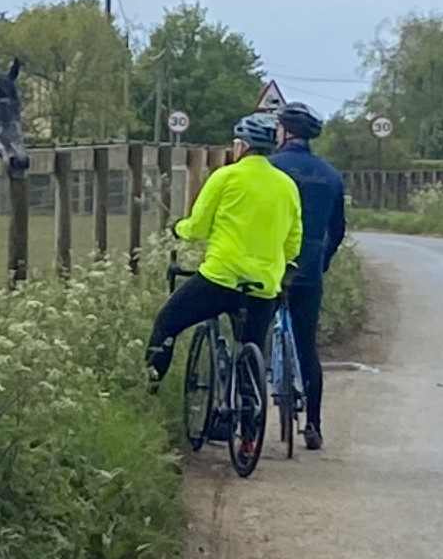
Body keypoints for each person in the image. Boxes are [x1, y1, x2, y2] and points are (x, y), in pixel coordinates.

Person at [145, 112, 302, 390]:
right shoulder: (287, 186)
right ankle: (249, 407)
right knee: (251, 349)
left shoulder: (226, 176)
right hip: (264, 285)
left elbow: (198, 227)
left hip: (221, 278)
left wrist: (179, 229)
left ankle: (151, 385)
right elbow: (293, 241)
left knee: (167, 322)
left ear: (241, 145)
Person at [269, 101, 346, 451]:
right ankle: (313, 425)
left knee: (250, 335)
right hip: (309, 268)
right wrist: (322, 261)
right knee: (306, 345)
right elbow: (337, 230)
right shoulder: (330, 175)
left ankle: (241, 415)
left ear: (284, 132)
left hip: (271, 266)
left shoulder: (271, 168)